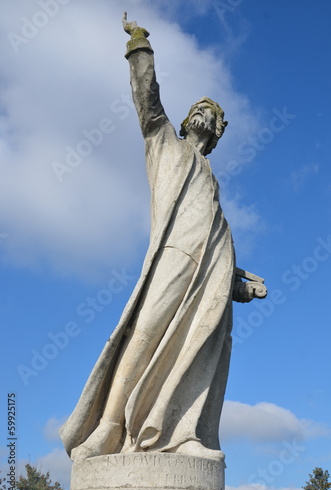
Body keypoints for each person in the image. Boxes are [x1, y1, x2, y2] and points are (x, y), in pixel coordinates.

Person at [60, 13, 236, 462]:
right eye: (199, 108)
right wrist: (139, 45)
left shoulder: (212, 182)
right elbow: (147, 101)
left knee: (197, 351)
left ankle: (184, 433)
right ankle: (108, 428)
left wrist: (240, 281)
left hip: (212, 272)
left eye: (212, 115)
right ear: (184, 120)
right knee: (143, 336)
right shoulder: (164, 143)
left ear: (216, 135)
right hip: (173, 258)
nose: (204, 113)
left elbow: (214, 235)